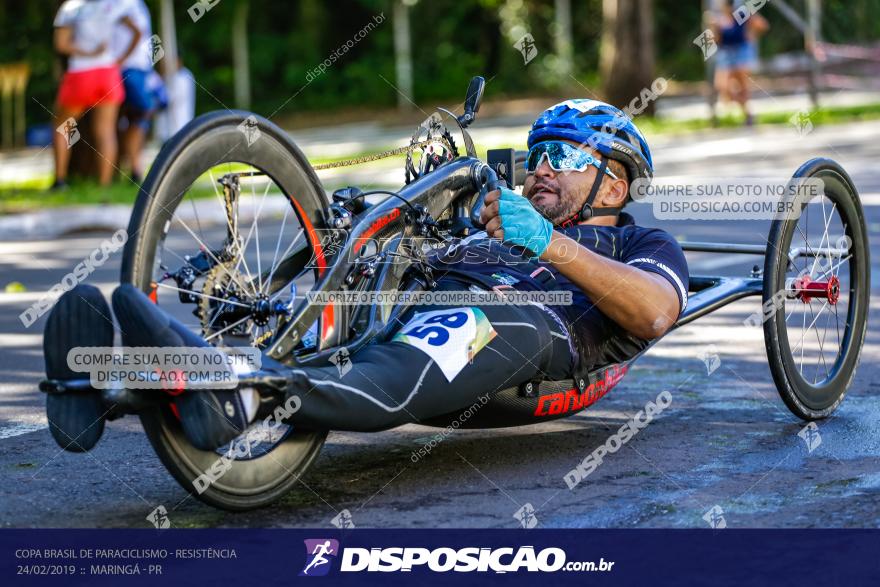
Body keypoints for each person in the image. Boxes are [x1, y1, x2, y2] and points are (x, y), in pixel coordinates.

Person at [46, 100, 689, 452]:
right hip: (417, 305)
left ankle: (242, 396)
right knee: (350, 295)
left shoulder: (641, 241)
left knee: (420, 351)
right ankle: (109, 387)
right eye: (537, 153)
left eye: (565, 156)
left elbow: (657, 312)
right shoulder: (499, 220)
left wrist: (548, 242)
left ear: (613, 181)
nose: (541, 167)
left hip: (520, 330)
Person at [52, 0, 141, 189]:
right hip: (108, 73)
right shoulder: (113, 5)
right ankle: (105, 184)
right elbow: (137, 31)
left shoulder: (71, 7)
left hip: (81, 72)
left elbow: (61, 44)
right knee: (106, 132)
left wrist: (87, 52)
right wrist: (121, 59)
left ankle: (60, 180)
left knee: (64, 125)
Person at [112, 0, 156, 184]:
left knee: (136, 118)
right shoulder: (121, 4)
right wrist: (122, 60)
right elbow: (137, 32)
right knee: (141, 112)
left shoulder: (133, 4)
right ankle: (135, 168)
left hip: (139, 69)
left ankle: (135, 168)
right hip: (129, 69)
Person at [710, 0, 769, 126]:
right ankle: (748, 112)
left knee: (743, 86)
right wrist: (713, 28)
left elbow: (763, 25)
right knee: (723, 87)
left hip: (741, 52)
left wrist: (751, 35)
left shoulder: (742, 15)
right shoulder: (719, 19)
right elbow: (716, 41)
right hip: (725, 54)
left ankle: (748, 116)